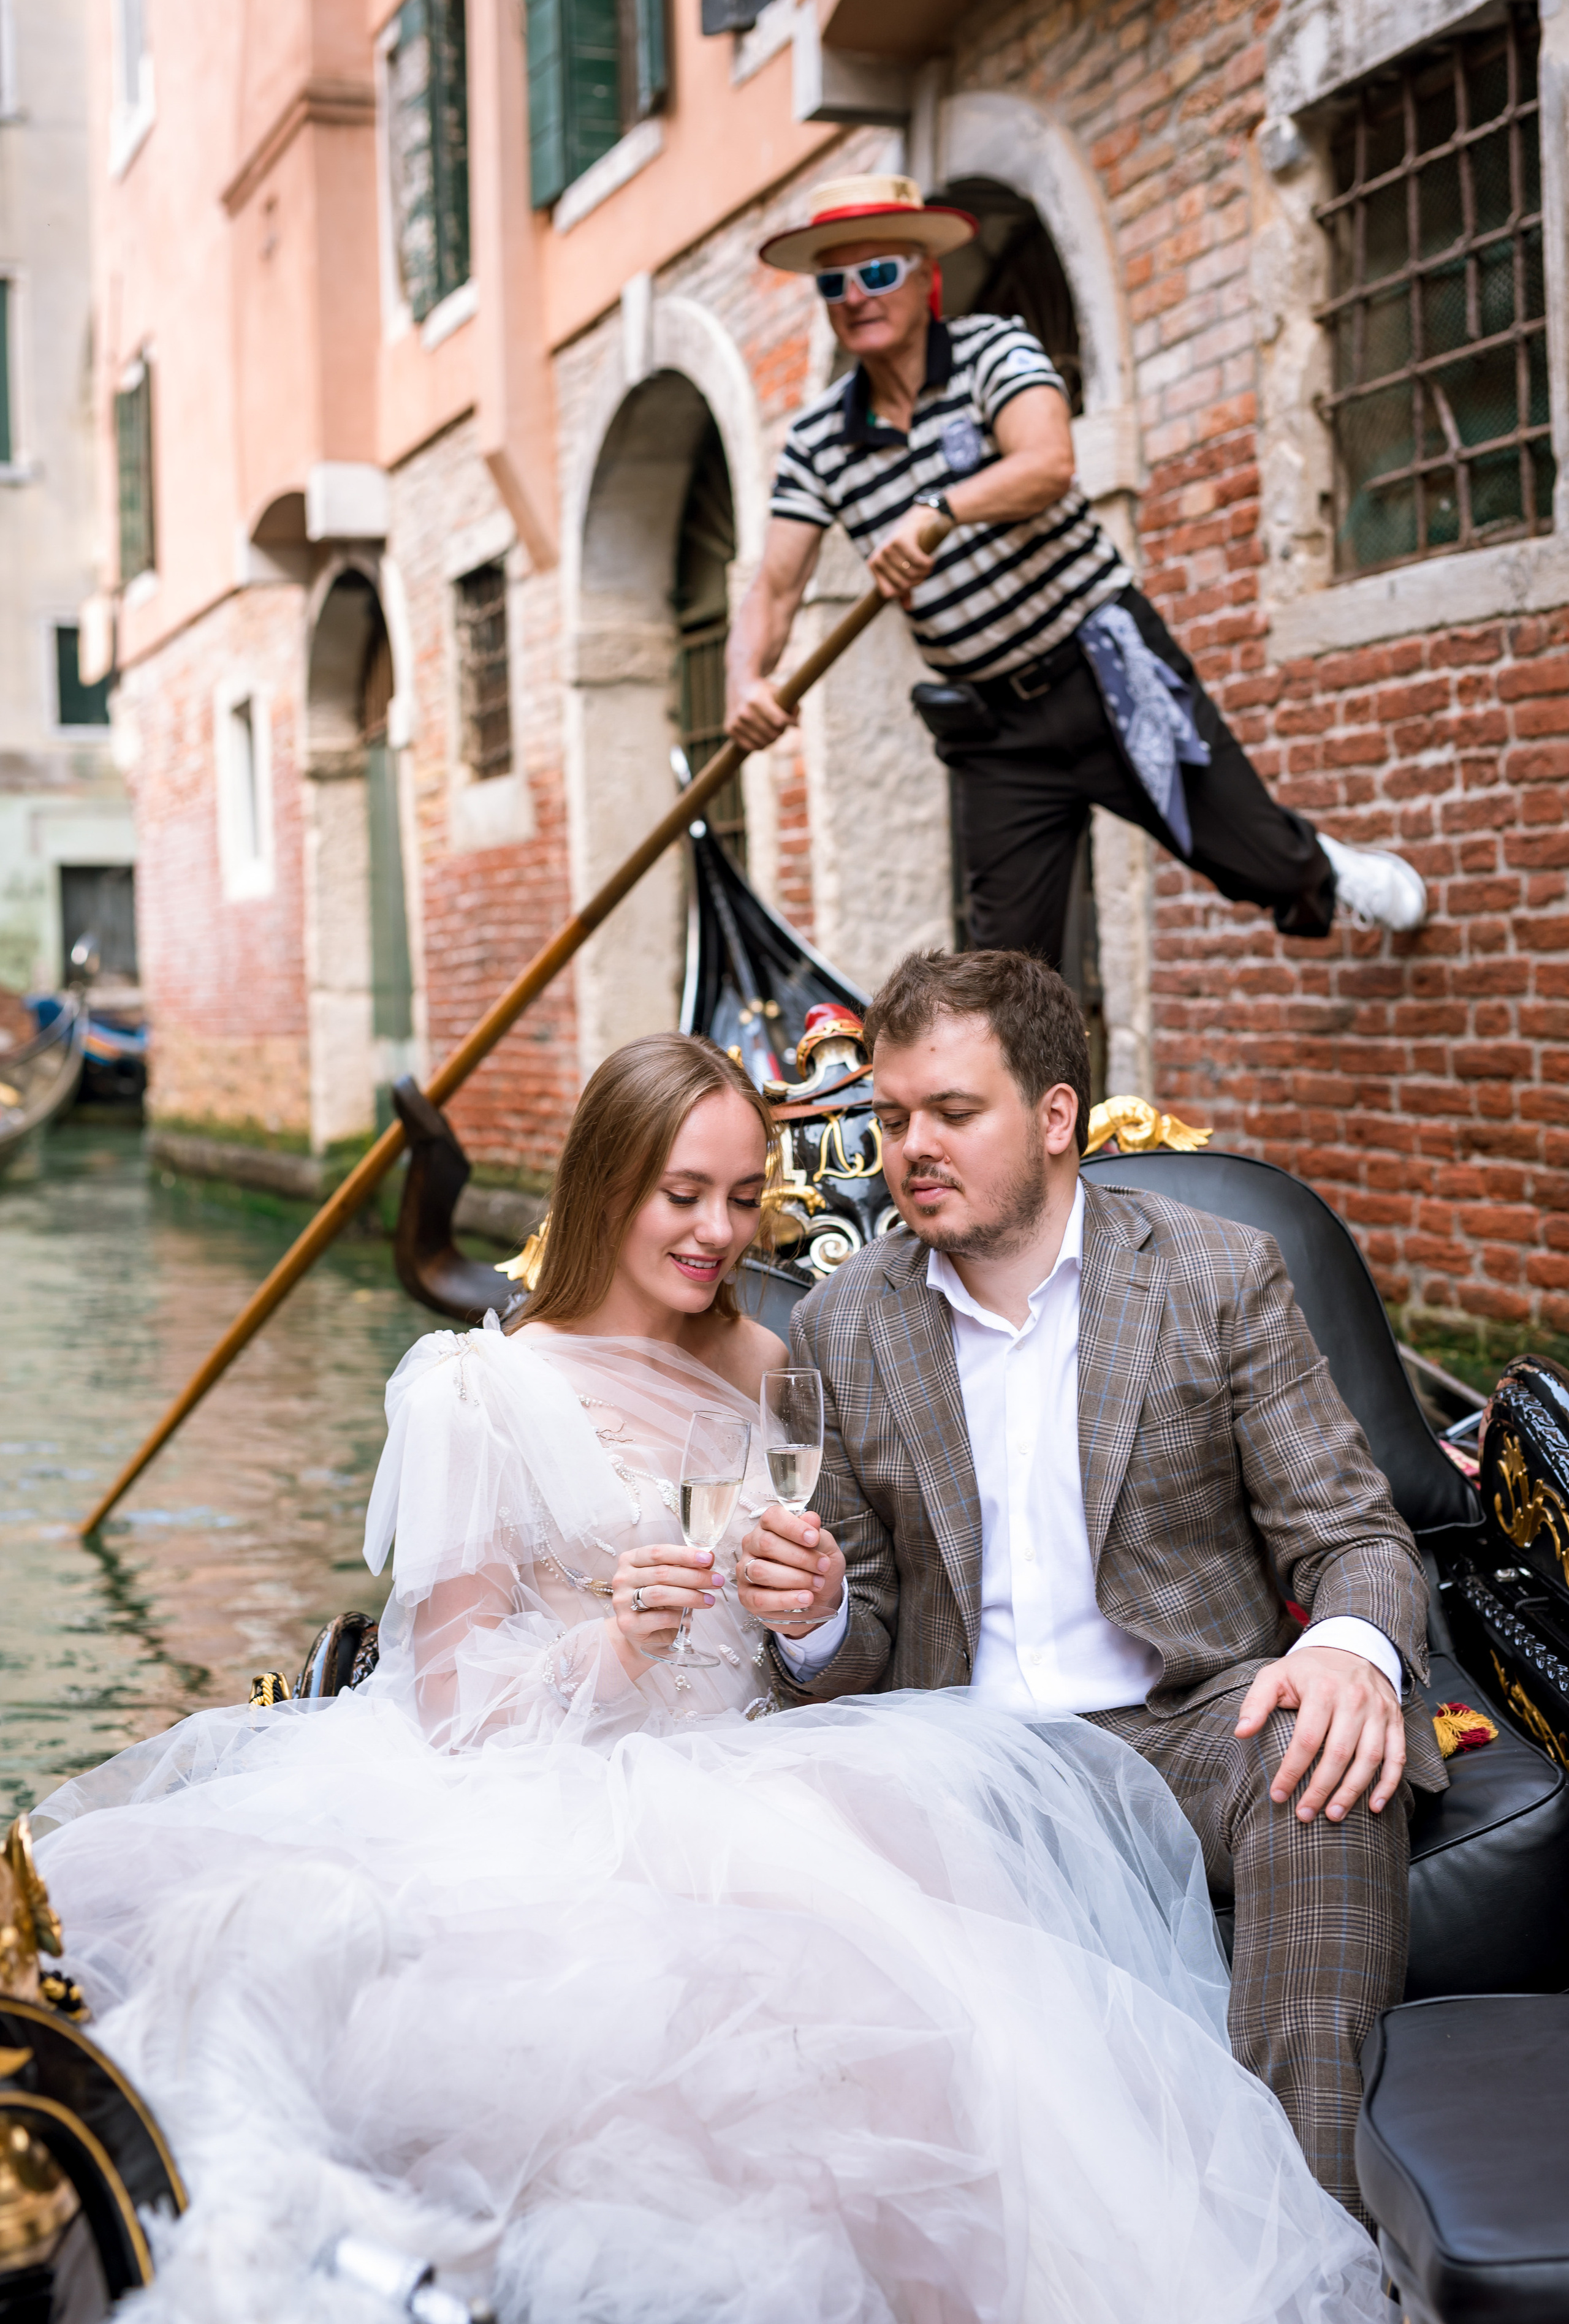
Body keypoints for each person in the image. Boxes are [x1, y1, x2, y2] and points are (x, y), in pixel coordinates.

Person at [29, 1034, 1385, 2324]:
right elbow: (446, 1713)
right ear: (604, 1187)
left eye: (744, 1198)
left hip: (780, 1773)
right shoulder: (473, 1391)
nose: (717, 1234)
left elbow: (832, 1623)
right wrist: (611, 1647)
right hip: (551, 1800)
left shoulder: (770, 1364)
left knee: (940, 2050)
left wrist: (816, 1601)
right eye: (680, 1195)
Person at [738, 948, 1442, 2224]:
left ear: (1056, 1117)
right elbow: (858, 1644)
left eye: (952, 1114)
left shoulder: (1213, 1276)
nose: (910, 1149)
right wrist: (817, 1614)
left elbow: (1353, 1536)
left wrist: (1345, 1649)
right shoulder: (844, 1325)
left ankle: (1301, 2246)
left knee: (1323, 1767)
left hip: (1186, 1727)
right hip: (956, 1758)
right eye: (891, 1119)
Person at [726, 172, 1428, 960]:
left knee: (1258, 858)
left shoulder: (995, 350)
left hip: (1107, 667)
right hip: (994, 729)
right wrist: (747, 679)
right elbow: (774, 585)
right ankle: (1044, 1086)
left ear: (926, 275)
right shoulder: (820, 439)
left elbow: (1048, 463)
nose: (856, 295)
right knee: (1007, 977)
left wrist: (938, 509)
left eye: (878, 271)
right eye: (835, 282)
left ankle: (1321, 869)